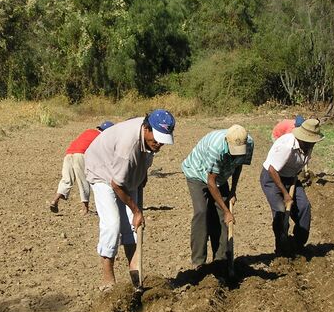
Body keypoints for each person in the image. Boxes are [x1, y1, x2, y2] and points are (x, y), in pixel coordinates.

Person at [84, 109, 176, 290]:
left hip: (126, 172)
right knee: (112, 224)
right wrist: (136, 210)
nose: (159, 144)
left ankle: (135, 273)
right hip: (102, 170)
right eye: (156, 139)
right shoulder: (127, 147)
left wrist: (142, 177)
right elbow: (117, 184)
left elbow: (143, 159)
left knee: (133, 227)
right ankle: (108, 279)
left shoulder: (150, 139)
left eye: (162, 141)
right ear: (147, 129)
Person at [181, 124, 254, 272]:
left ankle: (220, 261)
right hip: (197, 173)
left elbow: (238, 165)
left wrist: (233, 190)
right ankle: (198, 262)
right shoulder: (216, 148)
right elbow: (210, 182)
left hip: (220, 177)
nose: (236, 155)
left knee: (221, 219)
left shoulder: (249, 143)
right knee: (201, 212)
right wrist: (227, 210)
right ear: (227, 142)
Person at [260, 118, 324, 256]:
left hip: (290, 177)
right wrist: (285, 194)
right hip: (272, 178)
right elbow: (272, 169)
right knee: (280, 210)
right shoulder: (287, 145)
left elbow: (298, 166)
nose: (311, 144)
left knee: (304, 207)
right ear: (302, 137)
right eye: (309, 141)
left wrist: (297, 176)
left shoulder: (308, 146)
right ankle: (282, 249)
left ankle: (297, 244)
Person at [48, 121, 114, 215]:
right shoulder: (102, 137)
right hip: (80, 154)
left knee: (66, 179)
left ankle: (55, 200)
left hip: (69, 154)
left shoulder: (88, 131)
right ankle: (85, 209)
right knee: (83, 180)